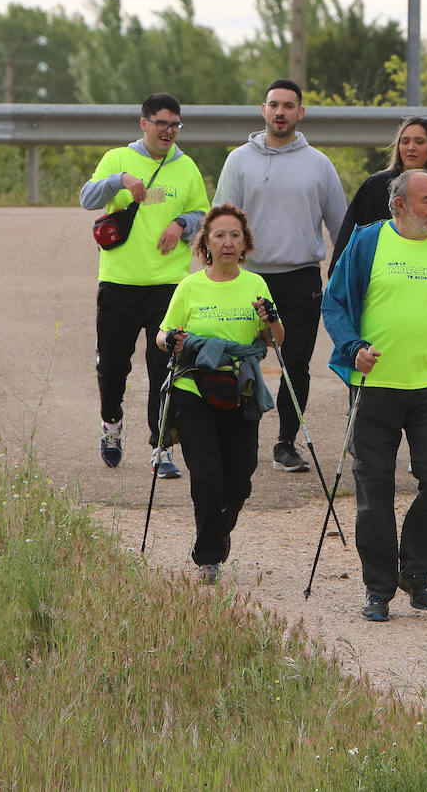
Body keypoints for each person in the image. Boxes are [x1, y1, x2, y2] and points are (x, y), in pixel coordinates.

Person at [322, 169, 427, 622]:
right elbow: (333, 303)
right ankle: (378, 586)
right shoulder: (368, 242)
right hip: (375, 389)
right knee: (374, 488)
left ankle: (416, 571)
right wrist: (353, 349)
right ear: (399, 204)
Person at [213, 78, 347, 473]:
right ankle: (236, 435)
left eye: (289, 106)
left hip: (301, 277)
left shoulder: (319, 164)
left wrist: (342, 280)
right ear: (263, 110)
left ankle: (286, 442)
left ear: (300, 113)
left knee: (296, 363)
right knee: (237, 360)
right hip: (248, 278)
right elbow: (220, 221)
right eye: (274, 105)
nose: (281, 112)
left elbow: (340, 227)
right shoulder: (239, 160)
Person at [80, 92, 209, 478]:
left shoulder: (186, 168)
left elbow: (204, 212)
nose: (168, 131)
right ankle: (111, 425)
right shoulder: (118, 158)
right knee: (114, 365)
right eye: (161, 123)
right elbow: (87, 198)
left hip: (168, 284)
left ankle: (162, 445)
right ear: (144, 124)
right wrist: (118, 181)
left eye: (175, 124)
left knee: (165, 366)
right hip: (120, 280)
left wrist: (182, 223)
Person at [156, 204, 281, 584]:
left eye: (235, 236)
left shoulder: (256, 285)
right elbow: (163, 335)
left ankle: (219, 528)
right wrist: (171, 342)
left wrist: (270, 319)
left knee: (241, 476)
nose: (227, 243)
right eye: (219, 235)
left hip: (240, 386)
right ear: (205, 243)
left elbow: (276, 340)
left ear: (245, 244)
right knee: (207, 473)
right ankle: (208, 553)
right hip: (193, 386)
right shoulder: (189, 286)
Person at [331, 115, 427, 322]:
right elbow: (349, 242)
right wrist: (339, 288)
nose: (411, 147)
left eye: (419, 142)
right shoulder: (376, 187)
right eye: (405, 141)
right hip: (384, 294)